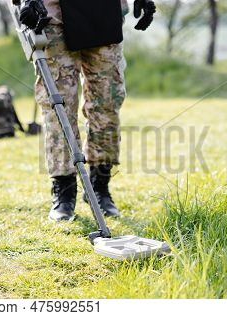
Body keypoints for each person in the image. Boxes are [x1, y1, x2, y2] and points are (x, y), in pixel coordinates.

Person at [19, 0, 156, 221]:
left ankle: (100, 186)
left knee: (106, 101)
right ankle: (64, 191)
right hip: (52, 15)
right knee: (58, 104)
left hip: (104, 12)